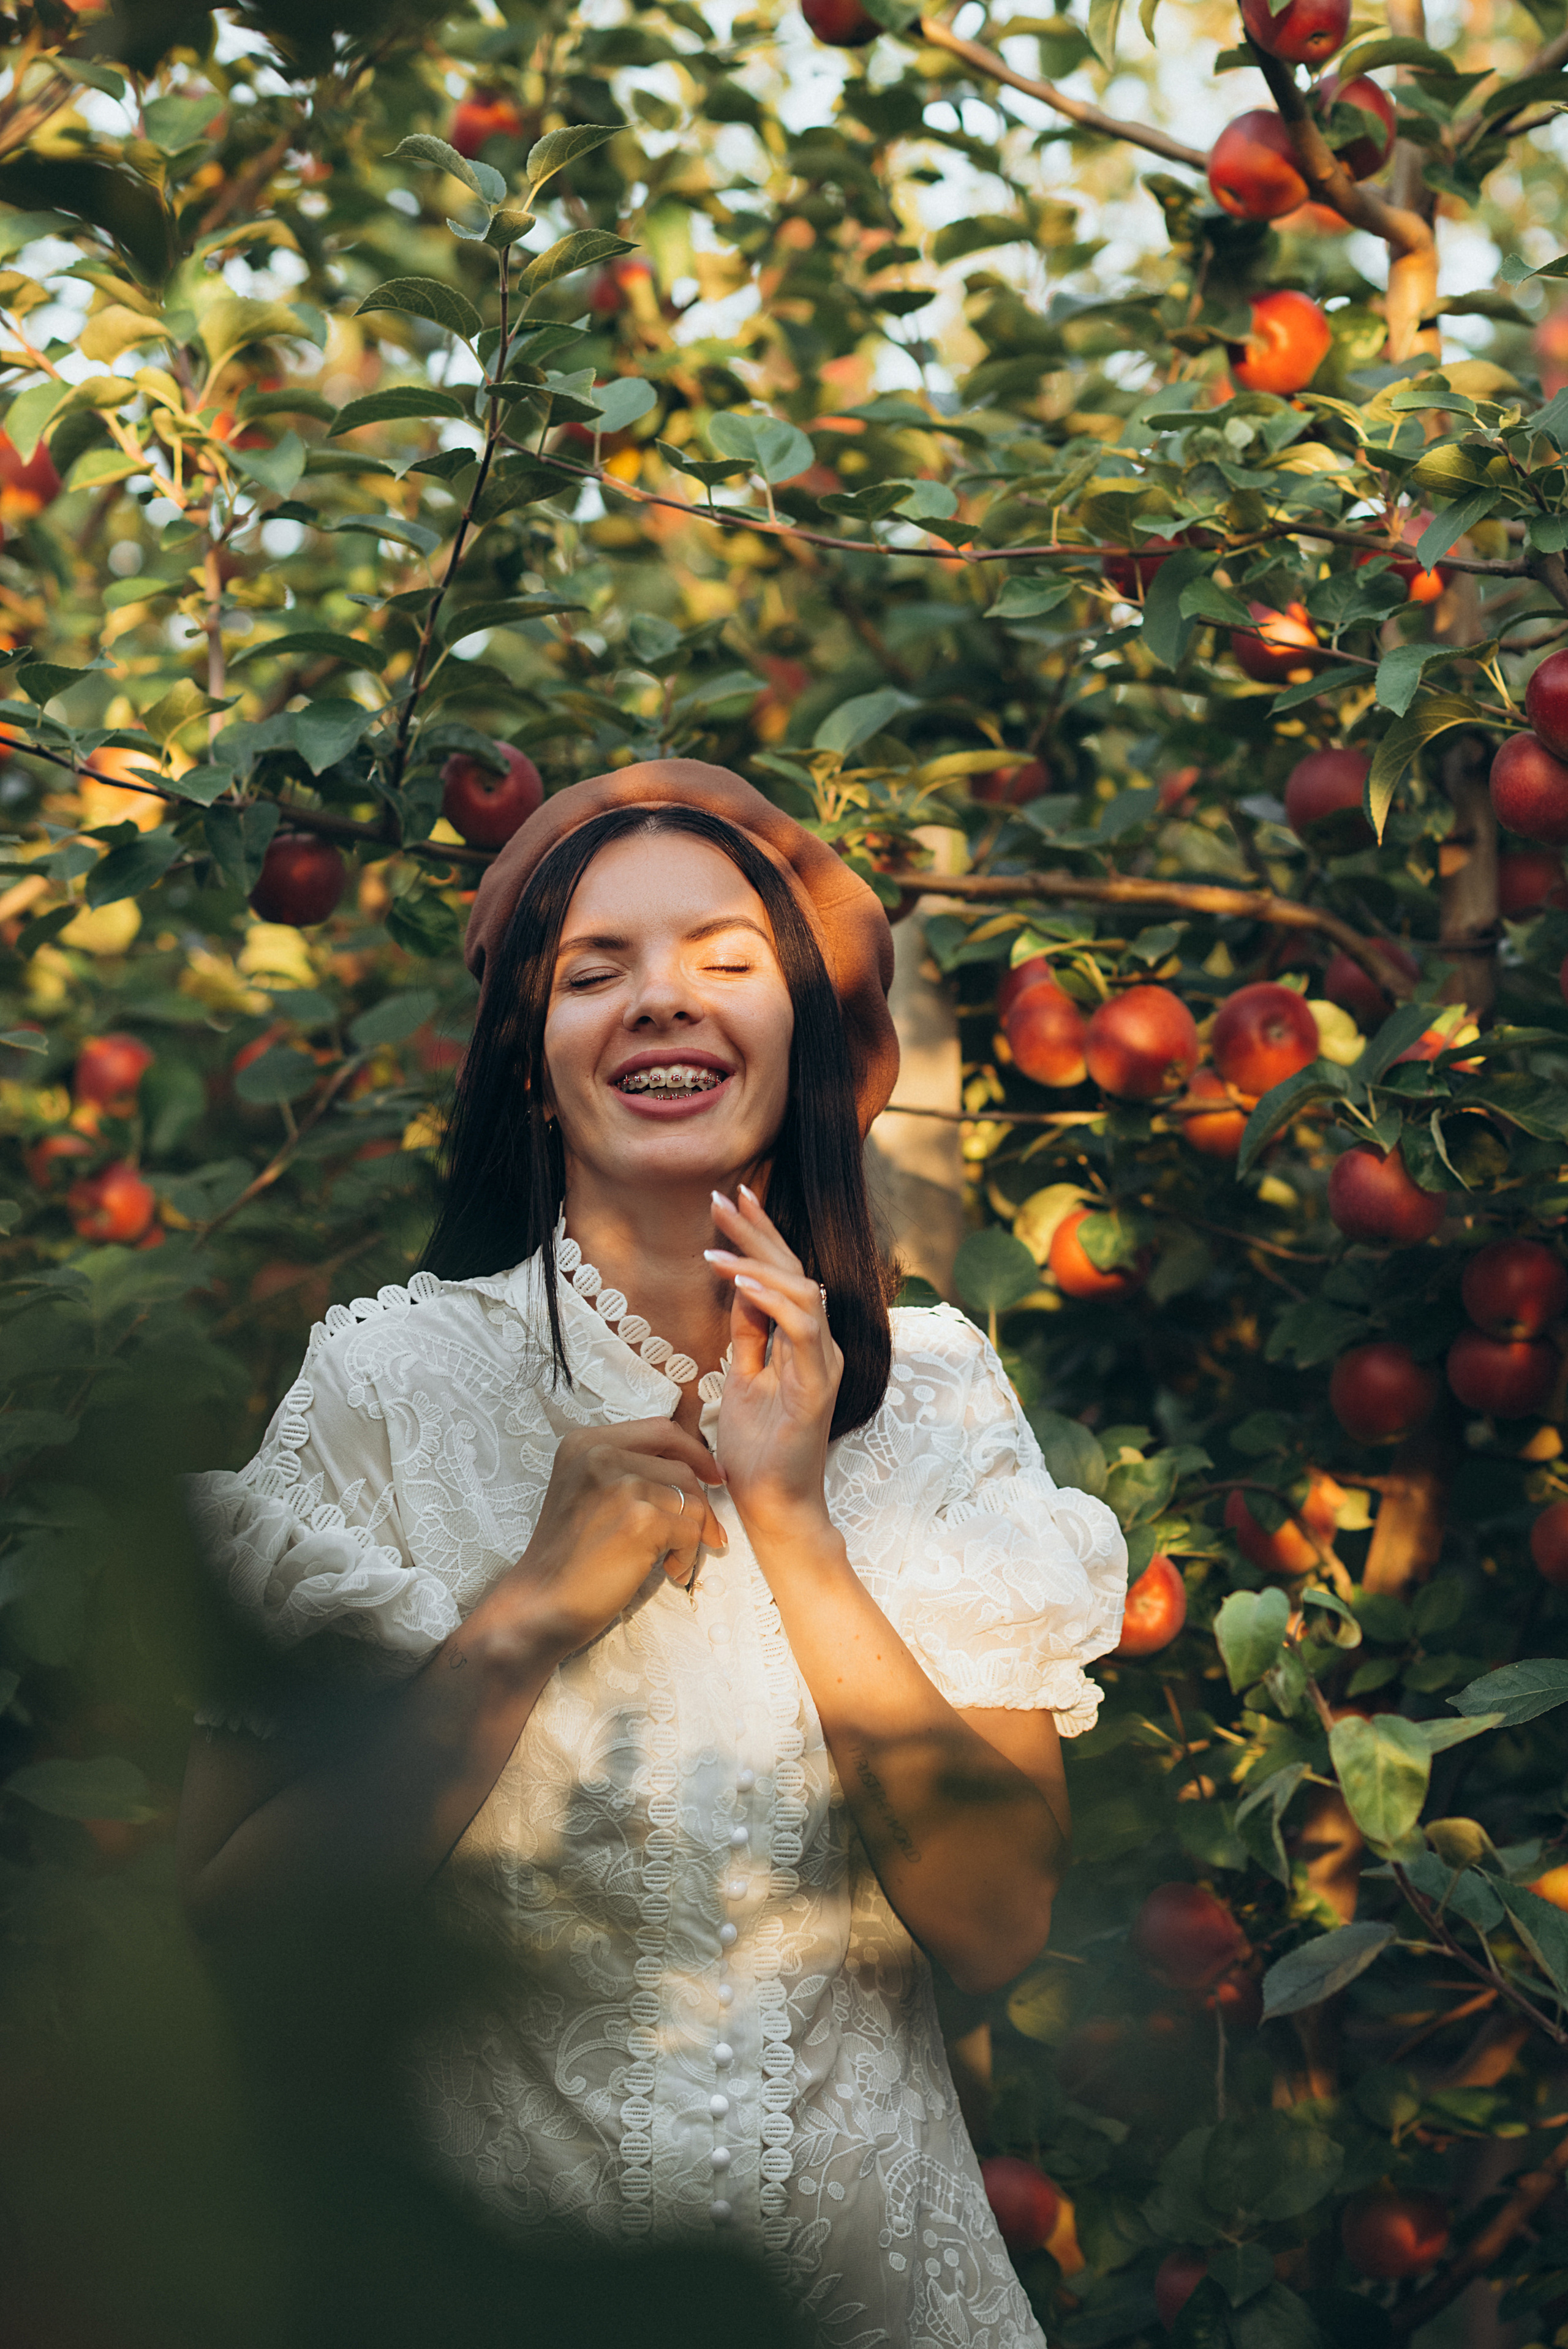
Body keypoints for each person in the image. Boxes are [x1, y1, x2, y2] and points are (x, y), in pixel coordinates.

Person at [178, 760, 1128, 2348]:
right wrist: (518, 1626)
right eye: (593, 970)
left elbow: (995, 1927)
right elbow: (244, 1939)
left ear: (803, 1038)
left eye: (724, 960)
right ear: (529, 1060)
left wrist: (799, 1525)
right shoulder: (387, 1385)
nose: (662, 999)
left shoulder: (937, 1393)